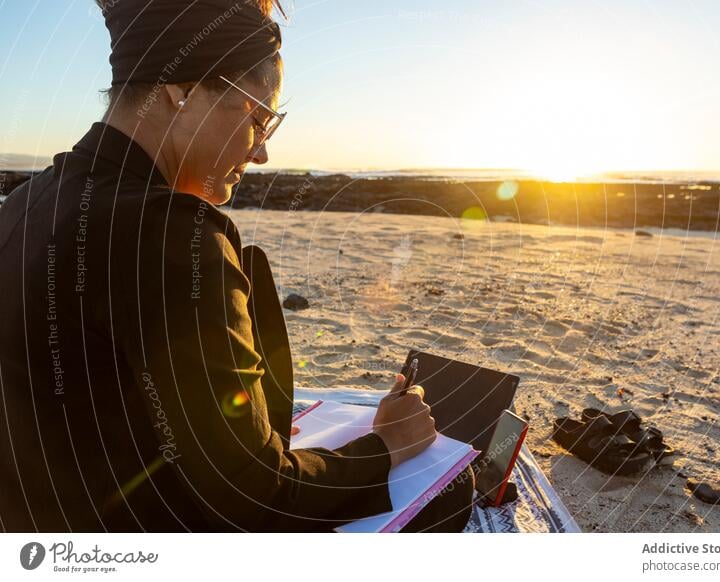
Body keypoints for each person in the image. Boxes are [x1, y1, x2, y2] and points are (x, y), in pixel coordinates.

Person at [0, 0, 474, 532]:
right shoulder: (170, 232)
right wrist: (385, 446)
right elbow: (252, 495)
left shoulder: (25, 203)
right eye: (259, 117)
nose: (262, 154)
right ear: (182, 91)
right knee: (451, 488)